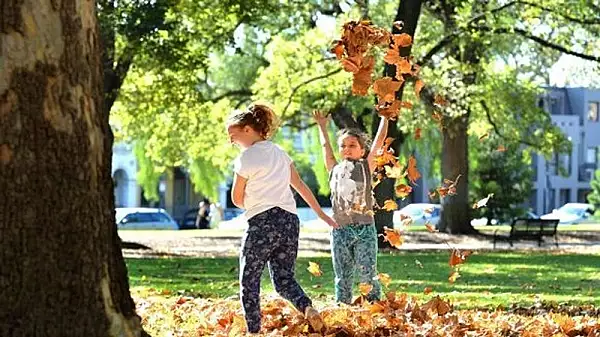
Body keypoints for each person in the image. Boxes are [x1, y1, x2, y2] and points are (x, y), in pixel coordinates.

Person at [226, 102, 339, 334]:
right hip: (289, 221)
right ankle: (307, 307)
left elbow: (237, 199)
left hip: (261, 223)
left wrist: (250, 201)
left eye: (233, 135)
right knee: (284, 279)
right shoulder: (280, 153)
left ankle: (254, 330)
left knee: (249, 280)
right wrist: (320, 213)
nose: (231, 141)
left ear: (248, 130)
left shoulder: (246, 158)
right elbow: (300, 185)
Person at [313, 110, 389, 304]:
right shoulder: (334, 169)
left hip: (365, 229)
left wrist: (384, 118)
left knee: (367, 274)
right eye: (343, 146)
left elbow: (379, 141)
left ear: (362, 150)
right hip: (340, 230)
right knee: (342, 276)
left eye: (352, 145)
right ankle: (342, 306)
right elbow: (325, 148)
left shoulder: (365, 166)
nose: (347, 149)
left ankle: (374, 307)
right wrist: (322, 126)